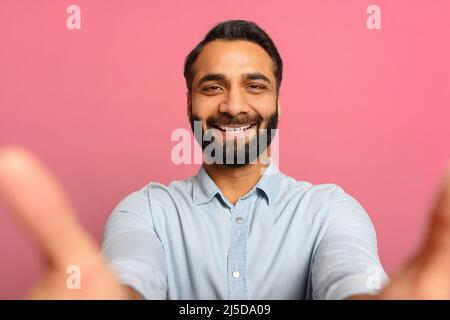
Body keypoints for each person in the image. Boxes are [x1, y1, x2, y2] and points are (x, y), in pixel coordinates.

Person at [1, 20, 449, 300]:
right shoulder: (147, 211)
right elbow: (131, 276)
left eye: (255, 86)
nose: (233, 106)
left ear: (278, 104)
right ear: (188, 107)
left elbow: (348, 274)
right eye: (213, 87)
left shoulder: (329, 210)